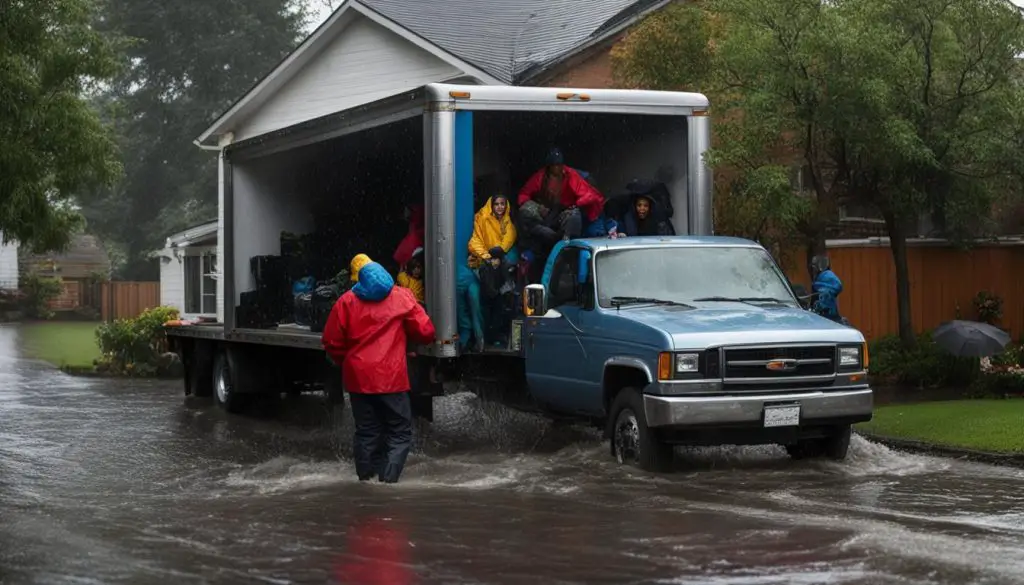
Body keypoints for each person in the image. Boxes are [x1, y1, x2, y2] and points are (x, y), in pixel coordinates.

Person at [321, 256, 436, 484]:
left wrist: (346, 360)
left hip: (358, 379)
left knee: (366, 431)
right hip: (391, 378)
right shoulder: (401, 297)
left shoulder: (346, 302)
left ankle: (366, 480)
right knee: (399, 431)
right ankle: (388, 482)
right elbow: (426, 331)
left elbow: (331, 341)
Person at [517, 147, 606, 223]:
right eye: (554, 165)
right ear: (549, 167)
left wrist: (575, 204)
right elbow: (523, 194)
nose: (557, 168)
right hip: (546, 213)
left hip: (566, 212)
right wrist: (538, 207)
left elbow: (588, 195)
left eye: (559, 165)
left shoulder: (570, 174)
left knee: (574, 217)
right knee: (525, 211)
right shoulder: (540, 177)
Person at [809, 255, 844, 323]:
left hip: (825, 320)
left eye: (814, 267)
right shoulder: (823, 280)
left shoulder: (824, 281)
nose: (813, 270)